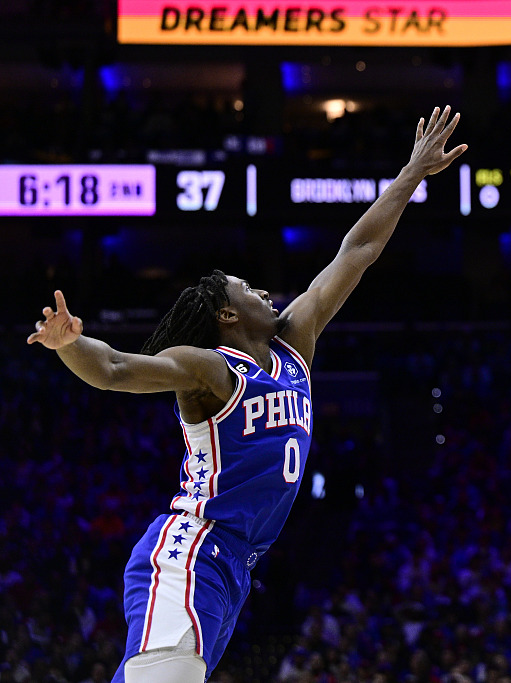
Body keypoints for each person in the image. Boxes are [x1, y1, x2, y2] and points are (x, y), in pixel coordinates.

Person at [27, 106, 466, 683]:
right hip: (191, 551)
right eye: (248, 288)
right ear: (228, 315)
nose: (264, 291)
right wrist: (69, 343)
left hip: (235, 565)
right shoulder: (210, 368)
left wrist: (412, 173)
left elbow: (357, 251)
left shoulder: (295, 345)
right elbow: (113, 368)